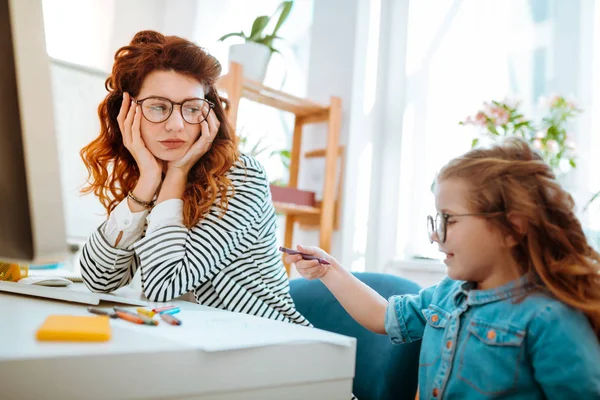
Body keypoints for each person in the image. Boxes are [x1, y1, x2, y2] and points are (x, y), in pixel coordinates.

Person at [285, 137, 600, 398]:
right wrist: (330, 270)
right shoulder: (447, 294)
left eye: (448, 218)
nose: (436, 234)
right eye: (436, 219)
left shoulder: (550, 320)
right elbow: (382, 316)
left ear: (511, 228)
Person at [79, 30, 308, 327]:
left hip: (269, 342)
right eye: (159, 107)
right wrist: (148, 179)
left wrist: (176, 174)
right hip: (197, 341)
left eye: (191, 108)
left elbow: (163, 287)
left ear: (208, 113)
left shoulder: (241, 177)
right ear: (128, 112)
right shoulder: (153, 172)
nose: (176, 125)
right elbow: (98, 279)